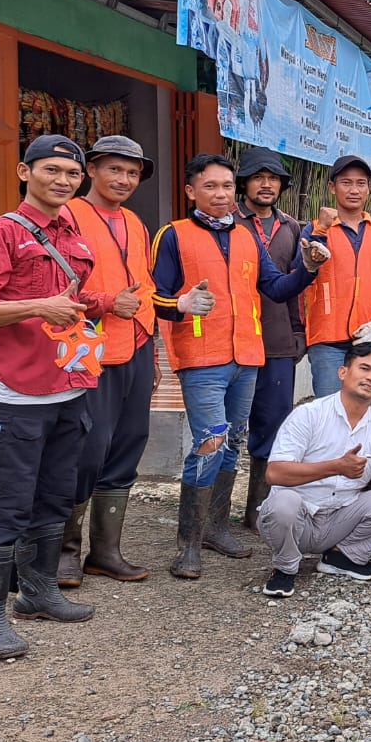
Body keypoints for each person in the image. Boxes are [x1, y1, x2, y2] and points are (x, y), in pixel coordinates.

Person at [0, 135, 103, 659]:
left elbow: (73, 300)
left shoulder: (73, 233)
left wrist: (109, 303)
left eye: (72, 173)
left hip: (68, 389)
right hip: (19, 395)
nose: (63, 180)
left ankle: (37, 594)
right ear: (24, 171)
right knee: (9, 505)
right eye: (52, 170)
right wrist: (39, 307)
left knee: (54, 498)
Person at [151, 153, 324, 581]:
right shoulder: (173, 236)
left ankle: (214, 530)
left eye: (227, 186)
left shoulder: (247, 237)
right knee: (209, 441)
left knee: (231, 441)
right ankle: (187, 544)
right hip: (202, 356)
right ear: (191, 191)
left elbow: (276, 288)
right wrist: (181, 304)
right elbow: (152, 296)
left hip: (247, 356)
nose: (221, 194)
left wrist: (308, 269)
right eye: (211, 186)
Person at [257, 342, 371, 597]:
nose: (370, 378)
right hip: (297, 517)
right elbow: (275, 474)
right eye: (364, 368)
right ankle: (286, 567)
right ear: (343, 372)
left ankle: (341, 556)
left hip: (338, 520)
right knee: (284, 502)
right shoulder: (309, 415)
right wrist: (335, 467)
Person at [59, 135, 157, 588]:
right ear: (92, 170)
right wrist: (101, 303)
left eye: (132, 173)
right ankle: (64, 550)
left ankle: (105, 551)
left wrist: (151, 349)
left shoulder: (136, 222)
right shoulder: (68, 216)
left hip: (135, 345)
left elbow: (144, 288)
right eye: (114, 169)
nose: (124, 179)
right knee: (87, 447)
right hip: (88, 351)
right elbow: (53, 285)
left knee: (128, 442)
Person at [234, 147, 307, 531]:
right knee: (229, 425)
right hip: (234, 337)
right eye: (258, 177)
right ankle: (211, 520)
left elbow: (294, 284)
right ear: (243, 182)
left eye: (273, 178)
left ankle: (256, 508)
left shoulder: (291, 227)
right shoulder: (227, 221)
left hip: (278, 336)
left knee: (273, 422)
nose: (266, 184)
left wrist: (298, 330)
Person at [300, 154, 371, 399]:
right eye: (346, 183)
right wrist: (320, 232)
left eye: (361, 183)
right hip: (326, 340)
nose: (354, 189)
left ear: (369, 188)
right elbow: (302, 273)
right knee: (330, 416)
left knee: (368, 416)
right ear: (332, 188)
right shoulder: (314, 229)